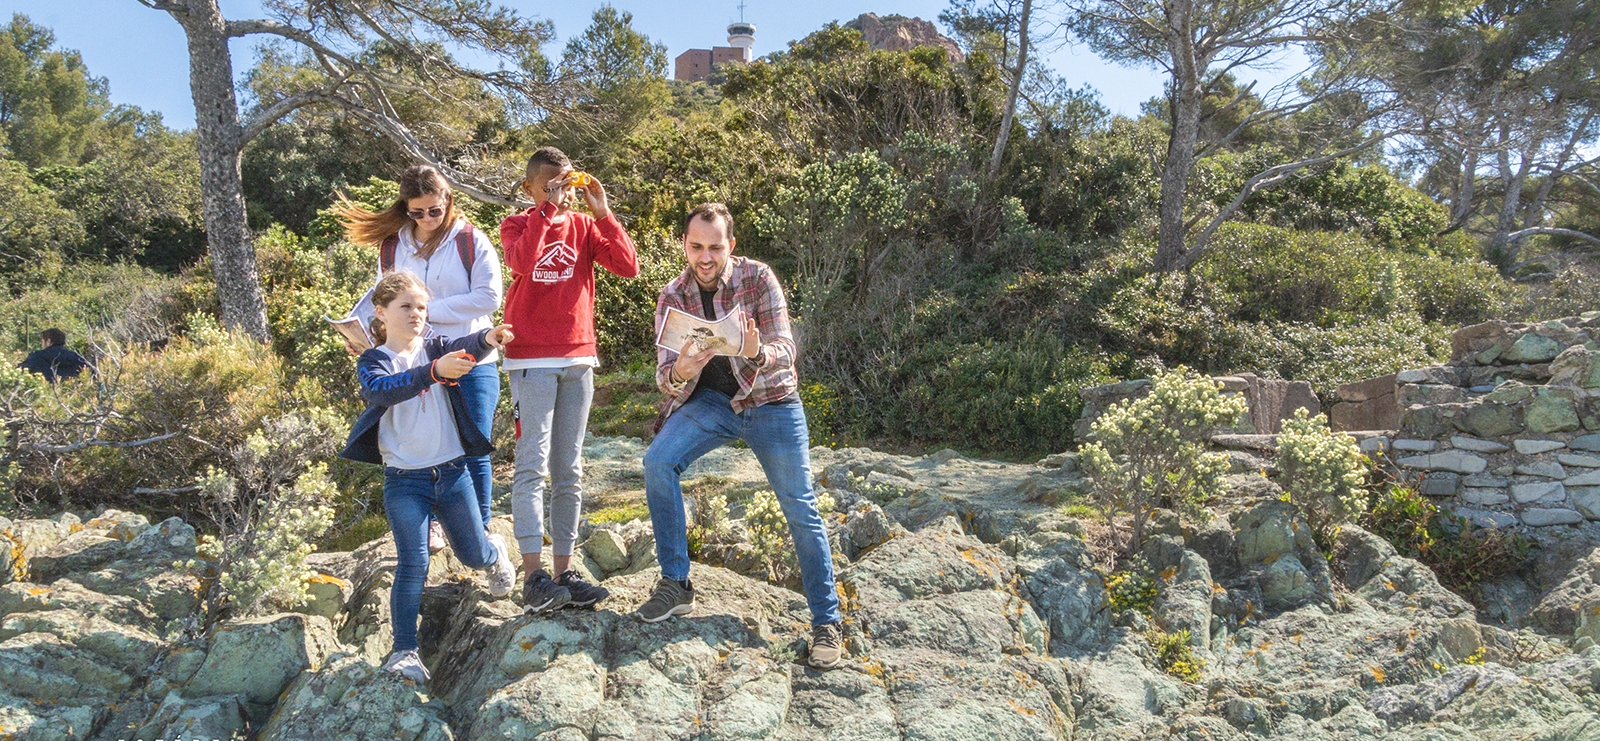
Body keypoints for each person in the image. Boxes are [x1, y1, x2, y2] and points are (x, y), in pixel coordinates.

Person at [637, 203, 844, 670]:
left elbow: (786, 348)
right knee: (657, 462)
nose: (704, 257)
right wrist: (680, 371)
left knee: (800, 506)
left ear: (731, 245)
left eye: (714, 246)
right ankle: (676, 584)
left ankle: (826, 622)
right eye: (695, 246)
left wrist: (757, 352)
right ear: (685, 245)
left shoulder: (758, 278)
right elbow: (664, 377)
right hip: (710, 404)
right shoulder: (672, 294)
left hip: (770, 402)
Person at [337, 271, 518, 683]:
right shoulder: (374, 360)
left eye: (422, 306)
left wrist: (487, 338)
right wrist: (433, 373)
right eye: (406, 307)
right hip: (404, 481)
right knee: (413, 562)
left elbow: (462, 344)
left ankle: (494, 553)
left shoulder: (436, 346)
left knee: (473, 555)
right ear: (380, 313)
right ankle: (404, 651)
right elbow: (383, 391)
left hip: (453, 473)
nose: (417, 314)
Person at [335, 165, 504, 554]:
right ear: (405, 209)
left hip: (470, 358)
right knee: (421, 450)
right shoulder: (394, 246)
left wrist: (425, 310)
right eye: (417, 212)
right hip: (415, 363)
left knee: (472, 445)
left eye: (435, 210)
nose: (428, 219)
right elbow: (385, 299)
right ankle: (432, 527)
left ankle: (479, 530)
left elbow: (488, 298)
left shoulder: (470, 241)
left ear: (448, 202)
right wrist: (365, 336)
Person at [499, 146, 639, 613]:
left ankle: (565, 571)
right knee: (532, 465)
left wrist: (602, 211)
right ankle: (534, 575)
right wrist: (546, 210)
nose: (562, 192)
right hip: (531, 360)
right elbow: (521, 262)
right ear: (530, 187)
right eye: (550, 184)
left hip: (579, 358)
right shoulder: (518, 223)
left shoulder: (583, 226)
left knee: (569, 470)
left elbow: (627, 265)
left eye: (566, 182)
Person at [18, 328, 90, 383]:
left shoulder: (37, 357)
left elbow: (20, 372)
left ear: (48, 341)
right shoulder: (77, 358)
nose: (42, 345)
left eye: (42, 342)